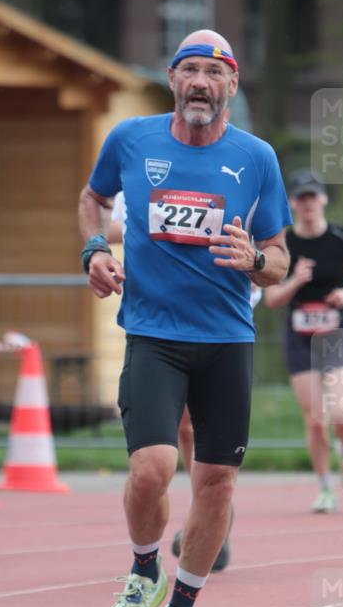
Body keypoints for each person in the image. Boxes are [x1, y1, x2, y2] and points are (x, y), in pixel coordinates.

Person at [78, 29, 291, 607]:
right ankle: (144, 571)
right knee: (152, 468)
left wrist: (255, 258)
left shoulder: (257, 158)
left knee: (218, 480)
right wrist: (94, 250)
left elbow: (279, 259)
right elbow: (94, 199)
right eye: (190, 70)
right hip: (153, 335)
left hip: (227, 340)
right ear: (172, 79)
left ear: (231, 86)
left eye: (214, 72)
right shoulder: (131, 141)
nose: (201, 82)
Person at [107, 190, 262, 572]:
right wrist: (99, 245)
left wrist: (251, 255)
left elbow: (270, 247)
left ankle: (211, 509)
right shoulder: (139, 174)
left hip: (219, 315)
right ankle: (201, 514)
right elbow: (107, 222)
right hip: (160, 325)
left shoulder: (237, 166)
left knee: (194, 430)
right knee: (170, 440)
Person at [264, 170, 343, 513]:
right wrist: (295, 281)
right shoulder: (283, 242)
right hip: (300, 337)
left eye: (313, 197)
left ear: (323, 200)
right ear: (292, 203)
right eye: (301, 198)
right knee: (315, 420)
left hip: (336, 333)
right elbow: (271, 299)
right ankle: (325, 487)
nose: (307, 204)